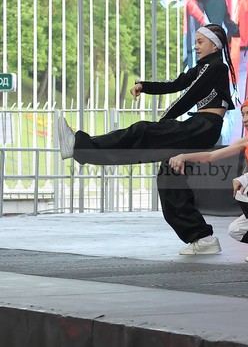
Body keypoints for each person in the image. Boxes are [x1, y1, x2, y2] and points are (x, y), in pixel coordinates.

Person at [52, 24, 236, 254]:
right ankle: (202, 237)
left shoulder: (216, 67)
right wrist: (144, 86)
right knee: (170, 181)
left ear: (215, 45)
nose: (196, 46)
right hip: (200, 127)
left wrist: (164, 121)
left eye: (200, 42)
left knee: (142, 131)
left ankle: (80, 146)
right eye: (196, 41)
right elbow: (177, 84)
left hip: (203, 127)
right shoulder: (202, 68)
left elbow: (190, 95)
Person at [167, 94, 248, 260]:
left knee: (244, 190)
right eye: (243, 115)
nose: (245, 119)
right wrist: (184, 156)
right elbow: (212, 156)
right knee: (236, 230)